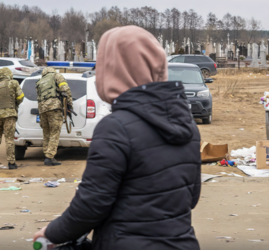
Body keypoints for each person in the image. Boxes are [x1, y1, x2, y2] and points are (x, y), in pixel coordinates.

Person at [34, 26, 201, 250]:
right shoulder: (185, 123)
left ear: (112, 70)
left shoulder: (116, 128)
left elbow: (91, 207)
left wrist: (51, 232)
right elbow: (190, 198)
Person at [36, 67, 73, 166]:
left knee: (46, 133)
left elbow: (38, 97)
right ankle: (49, 157)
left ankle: (47, 155)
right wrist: (70, 105)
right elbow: (65, 90)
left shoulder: (39, 81)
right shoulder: (57, 76)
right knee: (54, 132)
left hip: (42, 110)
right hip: (54, 108)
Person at [0, 68, 24, 169]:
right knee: (9, 139)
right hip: (9, 115)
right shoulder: (13, 83)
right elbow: (21, 97)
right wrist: (15, 104)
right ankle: (11, 163)